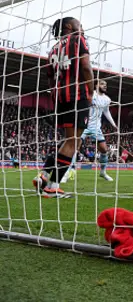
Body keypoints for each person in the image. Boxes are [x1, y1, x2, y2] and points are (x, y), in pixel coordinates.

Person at [34, 17, 94, 198]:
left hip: (61, 98)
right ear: (69, 26)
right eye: (80, 25)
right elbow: (86, 67)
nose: (82, 28)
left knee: (70, 141)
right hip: (78, 95)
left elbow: (50, 78)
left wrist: (56, 95)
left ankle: (43, 176)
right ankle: (52, 187)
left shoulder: (53, 48)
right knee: (73, 142)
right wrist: (91, 92)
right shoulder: (78, 39)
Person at [62, 79, 117, 183]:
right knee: (74, 147)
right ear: (96, 85)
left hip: (96, 128)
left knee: (104, 150)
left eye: (106, 85)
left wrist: (113, 124)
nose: (105, 86)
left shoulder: (107, 99)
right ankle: (67, 172)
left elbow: (106, 111)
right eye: (102, 84)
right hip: (84, 125)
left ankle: (103, 172)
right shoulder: (91, 95)